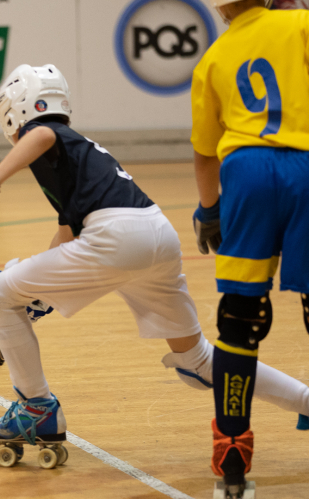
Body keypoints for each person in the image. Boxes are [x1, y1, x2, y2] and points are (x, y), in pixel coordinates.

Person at [0, 64, 309, 471]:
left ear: (15, 112)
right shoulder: (77, 152)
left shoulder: (47, 135)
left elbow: (39, 134)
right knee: (195, 362)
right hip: (156, 235)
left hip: (116, 238)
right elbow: (66, 233)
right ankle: (305, 399)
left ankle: (36, 408)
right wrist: (39, 294)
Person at [190, 0, 309, 496]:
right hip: (306, 166)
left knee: (240, 319)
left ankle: (232, 452)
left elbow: (202, 155)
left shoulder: (212, 59)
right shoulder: (301, 22)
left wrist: (209, 212)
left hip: (245, 172)